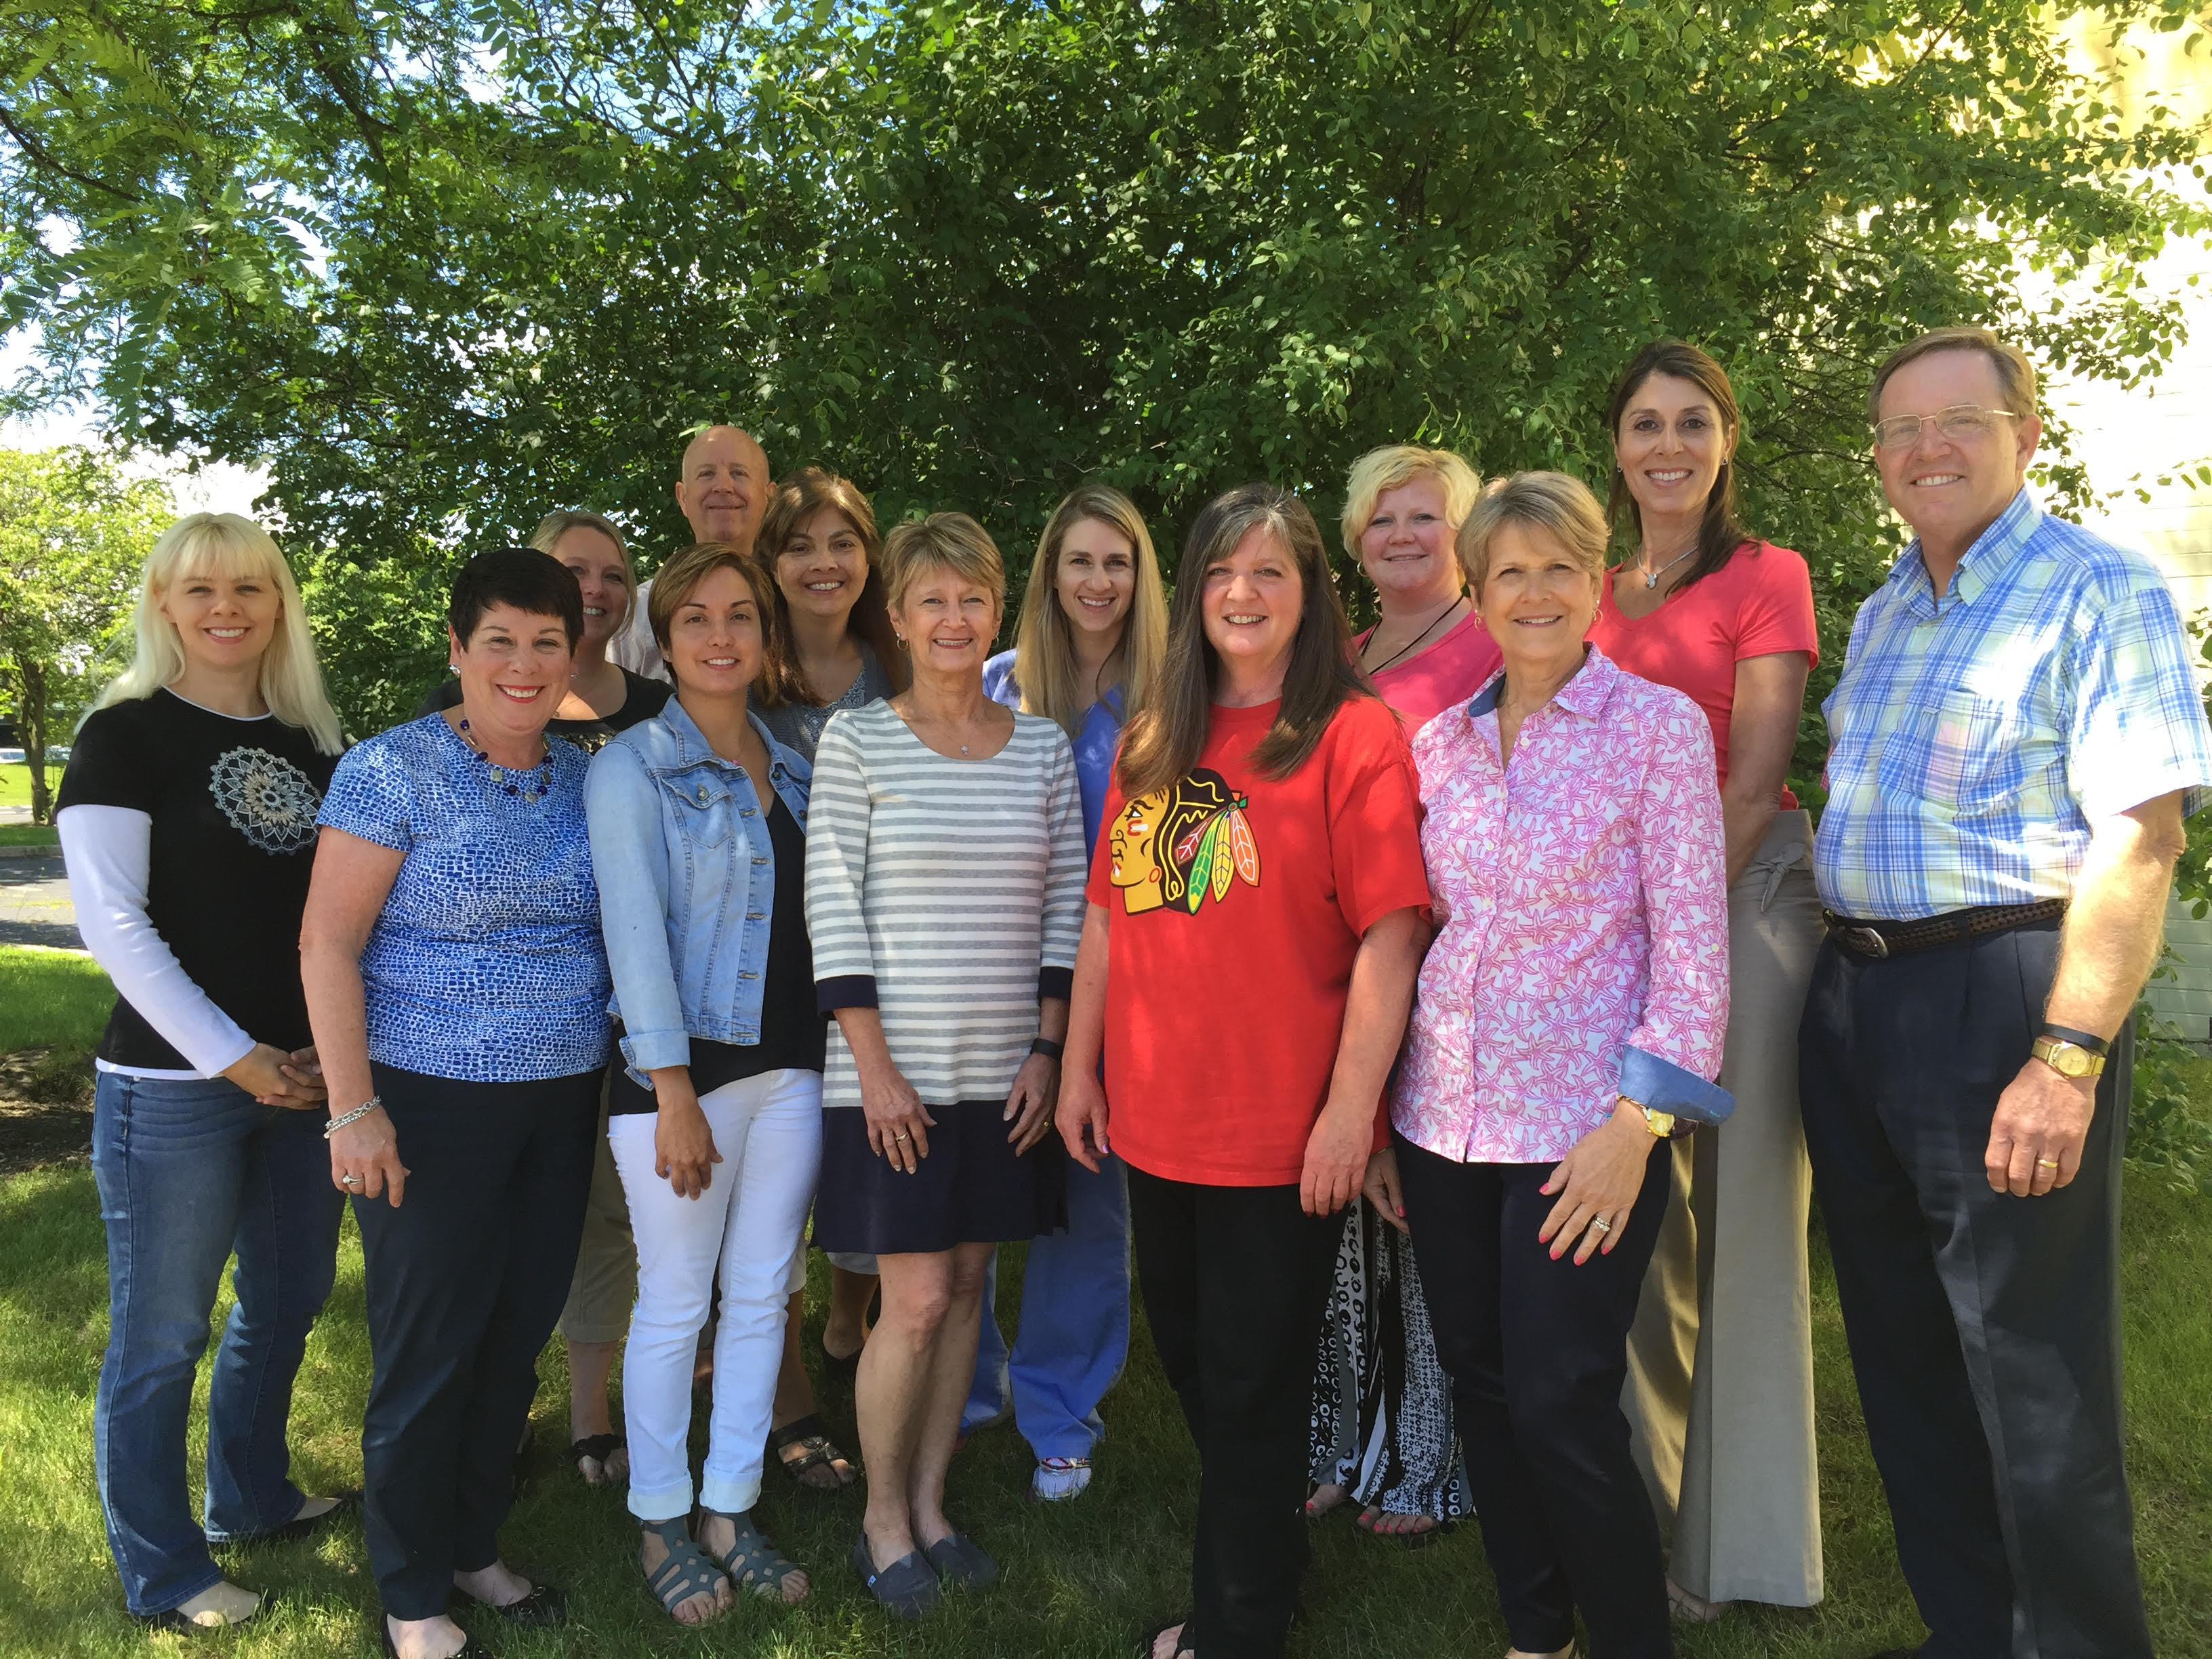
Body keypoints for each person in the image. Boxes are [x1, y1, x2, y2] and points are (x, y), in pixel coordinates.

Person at [1803, 326, 2212, 1659]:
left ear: (2023, 435)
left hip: (1998, 1001)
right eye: (1900, 429)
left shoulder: (2096, 588)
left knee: (2030, 1369)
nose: (1925, 448)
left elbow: (2139, 840)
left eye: (1958, 422)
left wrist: (2067, 1055)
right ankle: (1973, 1633)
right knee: (1904, 1357)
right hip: (1856, 999)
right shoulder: (1885, 607)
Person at [1057, 483, 1432, 1659]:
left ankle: (1236, 1628)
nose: (1242, 593)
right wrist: (1078, 1069)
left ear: (1310, 592)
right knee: (1195, 1364)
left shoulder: (1351, 734)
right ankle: (1267, 1557)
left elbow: (1390, 935)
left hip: (1278, 1129)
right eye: (1221, 571)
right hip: (1154, 1114)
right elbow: (1109, 917)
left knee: (1251, 1381)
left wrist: (1349, 1114)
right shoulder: (1155, 735)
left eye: (1269, 571)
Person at [1386, 470, 1732, 1659]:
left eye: (1558, 569)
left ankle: (1632, 1640)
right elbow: (1420, 934)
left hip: (1584, 1132)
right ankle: (1537, 1633)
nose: (1534, 592)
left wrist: (1636, 1127)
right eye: (1510, 572)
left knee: (1558, 1401)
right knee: (1482, 1387)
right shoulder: (1437, 744)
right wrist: (1382, 1113)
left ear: (1598, 582)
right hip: (1440, 1121)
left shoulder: (1655, 731)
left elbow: (1693, 953)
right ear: (1475, 590)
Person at [302, 548, 613, 1659]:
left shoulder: (584, 774)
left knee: (514, 1335)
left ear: (573, 653)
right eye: (500, 641)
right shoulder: (392, 770)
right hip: (428, 1103)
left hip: (561, 1102)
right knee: (430, 1349)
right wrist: (353, 1107)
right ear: (457, 648)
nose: (523, 665)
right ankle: (409, 1591)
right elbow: (327, 943)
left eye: (546, 642)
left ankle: (474, 1546)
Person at [57, 513, 350, 1632]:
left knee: (288, 1300)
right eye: (198, 590)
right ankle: (165, 1570)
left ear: (279, 604)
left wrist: (318, 1053)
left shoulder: (314, 742)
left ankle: (252, 1496)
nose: (225, 608)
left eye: (249, 587)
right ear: (164, 606)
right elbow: (113, 923)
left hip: (306, 1080)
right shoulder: (123, 735)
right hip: (176, 1090)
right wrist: (236, 1059)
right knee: (163, 1335)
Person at [806, 512, 1086, 1619]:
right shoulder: (858, 742)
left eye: (972, 598)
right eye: (932, 600)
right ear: (899, 617)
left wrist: (1048, 1050)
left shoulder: (1042, 748)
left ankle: (931, 1505)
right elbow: (832, 908)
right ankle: (879, 1522)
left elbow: (1066, 907)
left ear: (997, 607)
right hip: (894, 1078)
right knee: (915, 1298)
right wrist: (874, 1069)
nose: (954, 618)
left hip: (1005, 1073)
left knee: (970, 1288)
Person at [1586, 341, 1824, 1620]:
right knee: (1634, 1224)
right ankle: (1635, 1520)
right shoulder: (1590, 587)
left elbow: (1750, 778)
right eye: (1644, 423)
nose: (1667, 445)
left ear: (1725, 439)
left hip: (1744, 903)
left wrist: (1660, 930)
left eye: (1691, 421)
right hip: (1616, 926)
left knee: (1740, 1224)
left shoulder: (1766, 575)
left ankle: (1738, 1555)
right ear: (1615, 445)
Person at [586, 541, 822, 1622]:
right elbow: (633, 938)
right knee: (678, 1301)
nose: (721, 636)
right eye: (696, 619)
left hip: (794, 1070)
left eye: (741, 616)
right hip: (682, 1082)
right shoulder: (630, 768)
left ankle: (732, 1505)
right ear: (665, 640)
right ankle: (660, 1519)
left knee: (764, 1292)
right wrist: (672, 1092)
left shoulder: (795, 762)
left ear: (765, 636)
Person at [418, 508, 671, 1489]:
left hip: (622, 1013)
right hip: (474, 1050)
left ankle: (585, 1413)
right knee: (500, 1236)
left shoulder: (657, 709)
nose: (596, 588)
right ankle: (511, 1416)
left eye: (613, 574)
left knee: (601, 1212)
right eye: (576, 570)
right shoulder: (461, 714)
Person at [965, 483, 1168, 1502]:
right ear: (1049, 572)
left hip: (1122, 982)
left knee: (1088, 1200)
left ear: (1141, 577)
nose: (1098, 581)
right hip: (991, 971)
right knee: (973, 1192)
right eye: (1079, 560)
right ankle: (965, 1391)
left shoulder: (1173, 693)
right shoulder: (996, 686)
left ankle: (1059, 1410)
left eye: (1117, 562)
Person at [1308, 443, 1492, 1547]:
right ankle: (1342, 1441)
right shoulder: (1339, 655)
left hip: (1449, 970)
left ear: (1464, 534)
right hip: (1342, 962)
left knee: (1419, 1213)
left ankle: (1428, 1461)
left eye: (1425, 516)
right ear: (1354, 540)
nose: (1402, 536)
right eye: (1381, 520)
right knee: (1340, 1214)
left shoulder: (1497, 643)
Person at [753, 464, 907, 1448]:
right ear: (771, 562)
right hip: (770, 956)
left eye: (843, 543)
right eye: (801, 545)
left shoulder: (901, 666)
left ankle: (853, 1312)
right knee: (778, 1177)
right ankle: (791, 1389)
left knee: (873, 1148)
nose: (824, 562)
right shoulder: (742, 671)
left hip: (887, 954)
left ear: (869, 558)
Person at [610, 423, 773, 680]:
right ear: (683, 498)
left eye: (739, 473)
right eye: (707, 474)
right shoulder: (636, 615)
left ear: (770, 497)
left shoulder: (797, 605)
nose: (723, 486)